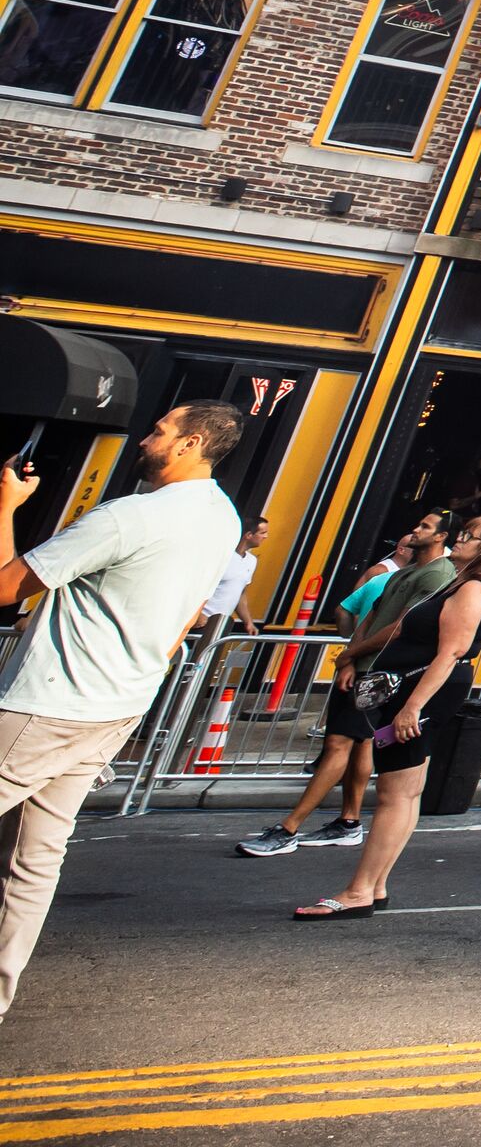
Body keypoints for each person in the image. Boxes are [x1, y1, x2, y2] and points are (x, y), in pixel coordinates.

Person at [0, 403, 249, 994]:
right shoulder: (223, 517)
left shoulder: (127, 516)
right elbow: (190, 615)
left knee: (31, 860)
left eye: (159, 431)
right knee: (33, 861)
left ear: (190, 444)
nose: (144, 439)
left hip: (47, 702)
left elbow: (7, 586)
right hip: (116, 705)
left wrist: (6, 506)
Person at [291, 508, 481, 924]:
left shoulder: (472, 588)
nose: (460, 538)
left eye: (470, 535)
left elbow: (451, 653)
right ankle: (374, 886)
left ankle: (359, 891)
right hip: (419, 694)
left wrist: (413, 707)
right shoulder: (463, 582)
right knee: (406, 791)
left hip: (420, 695)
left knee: (395, 793)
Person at [238, 508, 454, 860]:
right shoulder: (403, 573)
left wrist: (352, 655)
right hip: (364, 667)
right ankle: (348, 822)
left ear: (442, 536)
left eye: (425, 526)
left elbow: (401, 626)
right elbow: (370, 616)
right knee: (357, 744)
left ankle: (289, 828)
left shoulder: (438, 574)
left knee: (339, 744)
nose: (416, 529)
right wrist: (350, 658)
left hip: (381, 672)